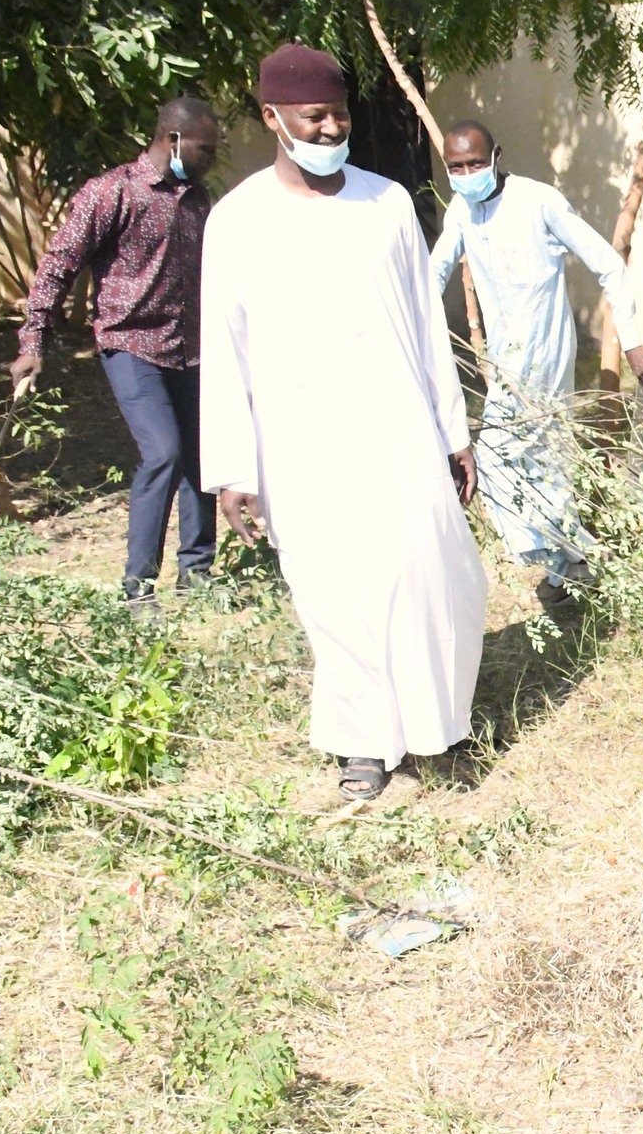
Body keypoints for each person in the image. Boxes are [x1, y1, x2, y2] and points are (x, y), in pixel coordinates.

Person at [198, 43, 486, 802]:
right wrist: (232, 471)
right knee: (333, 588)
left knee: (433, 576)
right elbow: (222, 352)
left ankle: (434, 728)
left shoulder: (386, 202)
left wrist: (454, 431)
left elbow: (428, 325)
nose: (330, 128)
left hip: (399, 429)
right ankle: (362, 743)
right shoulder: (236, 221)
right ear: (272, 118)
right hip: (300, 444)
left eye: (339, 113)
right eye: (313, 115)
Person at [430, 120, 643, 594]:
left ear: (496, 156)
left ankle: (570, 555)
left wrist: (632, 339)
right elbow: (434, 275)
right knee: (538, 459)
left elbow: (608, 264)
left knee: (497, 455)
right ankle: (570, 560)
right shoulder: (461, 211)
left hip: (547, 349)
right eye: (457, 167)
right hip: (506, 356)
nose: (468, 173)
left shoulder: (538, 201)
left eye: (475, 163)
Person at [14, 97, 224, 607]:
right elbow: (60, 263)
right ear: (173, 140)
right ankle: (138, 588)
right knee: (164, 452)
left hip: (191, 350)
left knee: (203, 458)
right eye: (206, 147)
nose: (212, 157)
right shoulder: (111, 192)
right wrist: (32, 339)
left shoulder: (199, 200)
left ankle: (196, 575)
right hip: (130, 343)